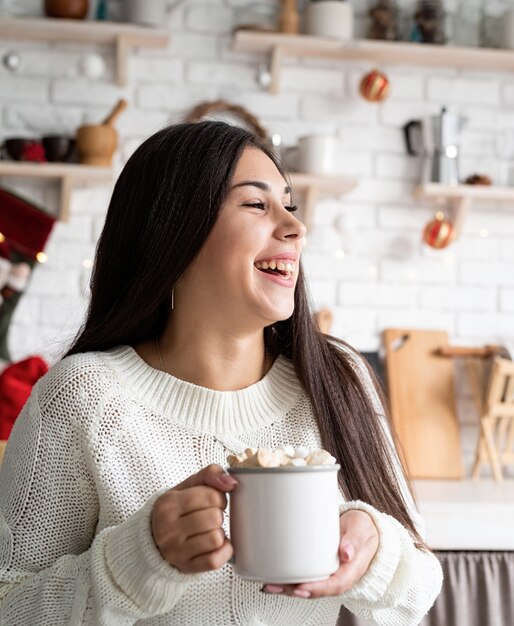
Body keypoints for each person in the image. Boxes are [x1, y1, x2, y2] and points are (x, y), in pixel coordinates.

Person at [0, 121, 442, 625]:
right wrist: (138, 559)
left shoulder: (338, 381)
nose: (297, 227)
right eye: (257, 204)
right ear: (173, 233)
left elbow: (421, 585)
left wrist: (375, 548)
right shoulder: (80, 397)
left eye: (289, 205)